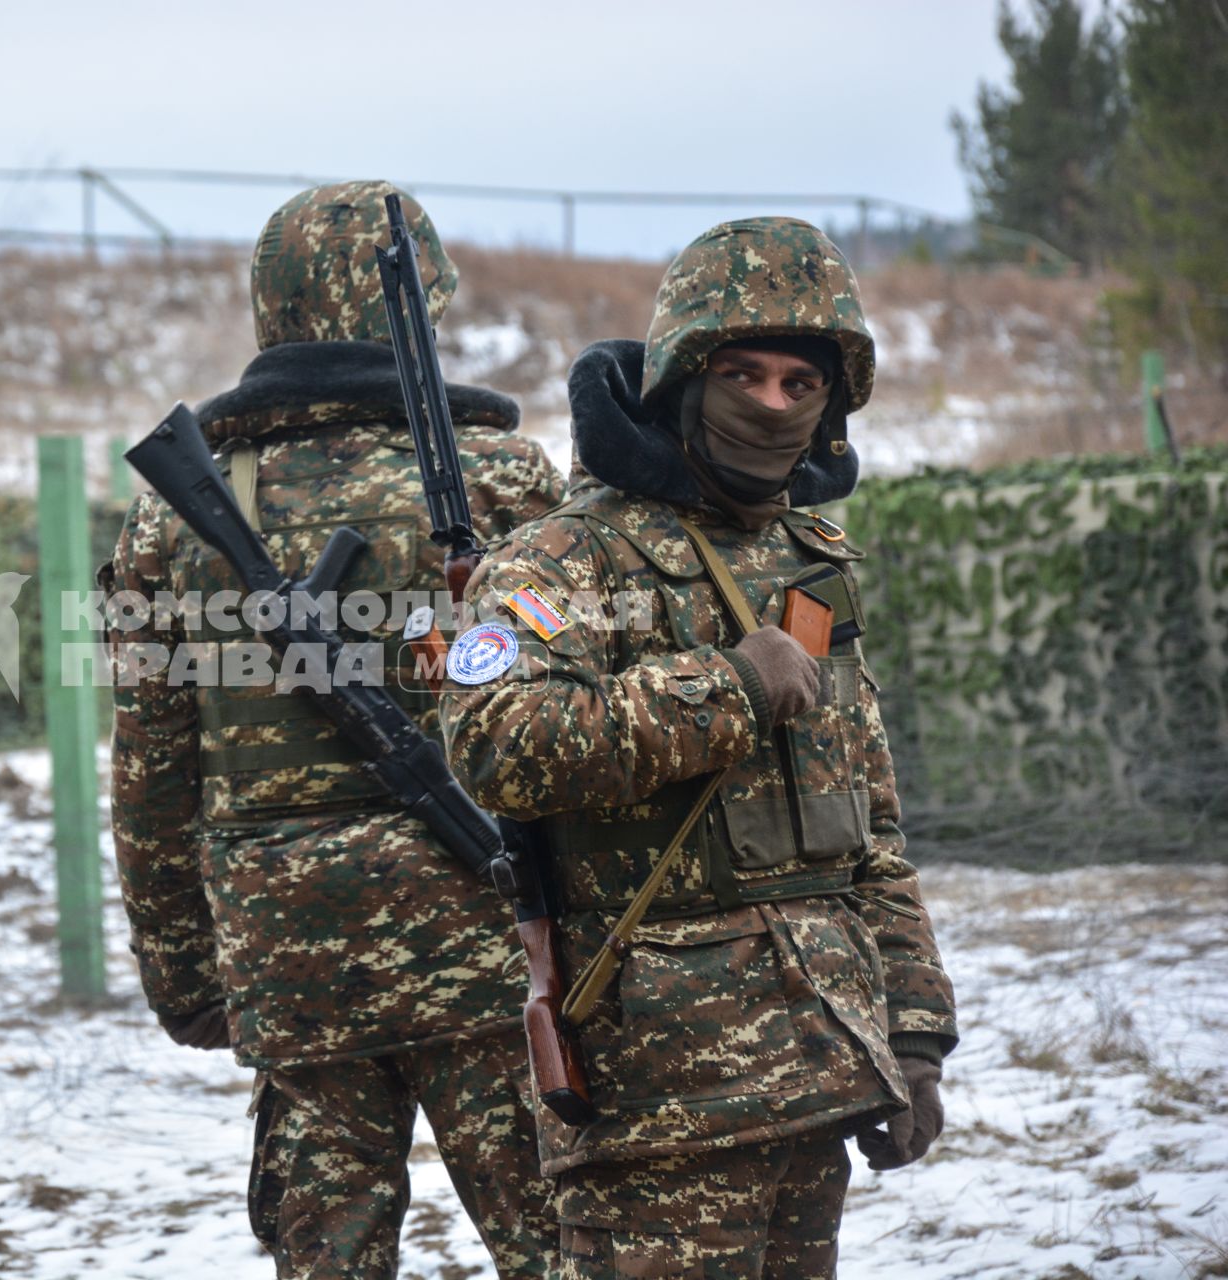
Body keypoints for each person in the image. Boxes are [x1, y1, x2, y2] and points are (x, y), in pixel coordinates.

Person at [439, 216, 958, 1279]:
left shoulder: (810, 557)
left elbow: (869, 819)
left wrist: (913, 1032)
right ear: (684, 376)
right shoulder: (559, 559)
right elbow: (495, 742)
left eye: (799, 383)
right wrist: (724, 687)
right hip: (655, 1100)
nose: (771, 404)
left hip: (817, 1067)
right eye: (741, 372)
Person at [106, 180, 565, 1279]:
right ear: (420, 305)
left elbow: (154, 777)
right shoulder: (505, 483)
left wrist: (191, 981)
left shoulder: (178, 522)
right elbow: (570, 729)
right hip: (494, 954)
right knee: (561, 1246)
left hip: (289, 962)